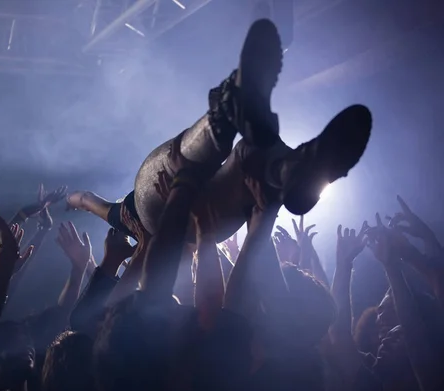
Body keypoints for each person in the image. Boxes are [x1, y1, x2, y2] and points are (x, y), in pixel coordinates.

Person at [66, 18, 372, 243]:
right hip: (179, 218)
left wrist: (67, 202)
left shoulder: (121, 218)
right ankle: (239, 123)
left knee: (239, 158)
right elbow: (86, 199)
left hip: (184, 218)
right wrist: (73, 200)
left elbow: (86, 201)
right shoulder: (126, 220)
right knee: (205, 167)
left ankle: (274, 157)